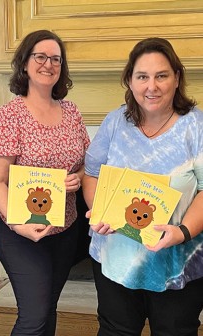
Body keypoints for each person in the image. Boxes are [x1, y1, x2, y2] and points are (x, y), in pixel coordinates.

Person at [83, 37, 203, 335]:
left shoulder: (197, 126)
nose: (152, 86)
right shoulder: (114, 122)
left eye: (161, 75)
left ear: (177, 78)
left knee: (175, 330)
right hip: (115, 256)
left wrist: (183, 231)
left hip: (177, 261)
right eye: (142, 77)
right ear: (130, 81)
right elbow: (91, 173)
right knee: (115, 330)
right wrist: (100, 211)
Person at [0, 30, 90, 335]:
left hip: (64, 228)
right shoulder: (9, 115)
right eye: (40, 57)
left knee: (47, 310)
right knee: (33, 316)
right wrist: (19, 226)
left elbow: (85, 164)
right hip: (20, 232)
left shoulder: (71, 112)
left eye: (55, 59)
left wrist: (77, 178)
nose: (48, 64)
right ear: (25, 63)